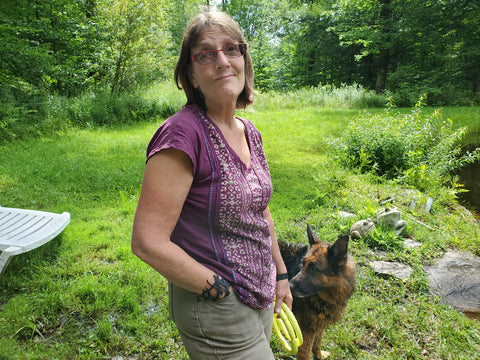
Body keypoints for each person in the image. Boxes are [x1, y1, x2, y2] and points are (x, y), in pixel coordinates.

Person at [131, 10, 292, 360]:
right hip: (219, 307)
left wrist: (280, 274)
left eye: (231, 50)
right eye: (206, 54)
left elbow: (260, 209)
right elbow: (148, 242)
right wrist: (218, 290)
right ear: (190, 73)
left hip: (260, 290)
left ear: (244, 60)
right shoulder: (183, 133)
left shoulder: (249, 131)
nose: (222, 61)